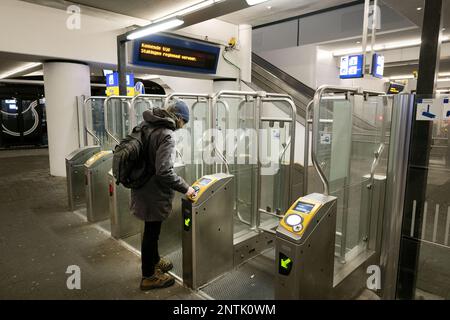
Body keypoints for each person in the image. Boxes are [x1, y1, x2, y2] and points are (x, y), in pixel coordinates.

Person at [130, 100, 196, 291]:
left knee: (151, 230)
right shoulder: (166, 135)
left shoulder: (146, 124)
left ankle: (155, 260)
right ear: (180, 119)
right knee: (151, 232)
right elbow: (164, 171)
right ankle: (148, 276)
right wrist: (186, 188)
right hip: (153, 192)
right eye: (184, 123)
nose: (182, 127)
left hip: (140, 184)